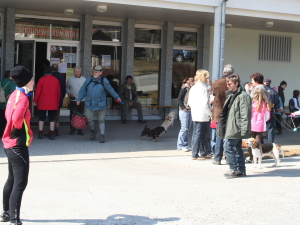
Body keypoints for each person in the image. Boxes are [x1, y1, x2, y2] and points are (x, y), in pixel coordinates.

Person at [1, 66, 34, 225]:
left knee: (12, 178)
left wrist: (14, 126)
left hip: (8, 142)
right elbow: (17, 115)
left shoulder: (13, 94)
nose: (34, 81)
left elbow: (8, 114)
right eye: (32, 79)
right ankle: (15, 220)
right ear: (26, 81)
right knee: (20, 183)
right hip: (18, 144)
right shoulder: (23, 97)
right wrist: (18, 127)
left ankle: (6, 213)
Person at [217, 74, 251, 178]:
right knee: (237, 148)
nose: (228, 86)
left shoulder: (243, 96)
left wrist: (244, 129)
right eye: (227, 84)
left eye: (230, 84)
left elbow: (245, 114)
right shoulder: (232, 95)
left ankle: (234, 169)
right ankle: (240, 170)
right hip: (231, 125)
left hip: (236, 127)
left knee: (228, 146)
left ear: (236, 83)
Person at [77, 65, 121, 143]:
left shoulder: (104, 81)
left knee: (101, 120)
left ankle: (102, 135)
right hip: (89, 104)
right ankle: (93, 130)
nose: (94, 73)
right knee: (89, 119)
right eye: (94, 71)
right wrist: (79, 99)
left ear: (100, 73)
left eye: (96, 71)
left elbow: (110, 90)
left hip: (100, 104)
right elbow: (83, 90)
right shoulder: (88, 80)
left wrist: (117, 97)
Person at [210, 64, 234, 165]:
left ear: (223, 72)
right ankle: (228, 158)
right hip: (230, 111)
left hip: (219, 111)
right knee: (230, 135)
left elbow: (214, 94)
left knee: (219, 135)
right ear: (232, 73)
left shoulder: (216, 82)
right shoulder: (233, 83)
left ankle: (217, 158)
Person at [188, 70, 212, 160]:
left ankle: (204, 152)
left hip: (196, 113)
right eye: (206, 76)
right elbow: (205, 104)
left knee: (199, 134)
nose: (207, 78)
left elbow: (189, 102)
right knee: (200, 134)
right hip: (203, 114)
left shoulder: (194, 87)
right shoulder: (202, 88)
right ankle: (195, 154)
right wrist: (210, 114)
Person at [33, 66, 60, 140]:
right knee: (52, 118)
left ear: (44, 73)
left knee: (41, 117)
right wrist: (57, 101)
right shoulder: (56, 80)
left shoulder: (41, 79)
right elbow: (58, 92)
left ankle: (40, 133)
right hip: (53, 102)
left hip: (43, 102)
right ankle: (52, 134)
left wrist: (35, 101)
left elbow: (38, 91)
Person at [248, 88, 271, 162]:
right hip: (260, 125)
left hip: (252, 124)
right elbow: (267, 116)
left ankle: (251, 157)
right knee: (258, 141)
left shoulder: (252, 103)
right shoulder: (265, 104)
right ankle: (257, 157)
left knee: (250, 141)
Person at [45, 64, 66, 136]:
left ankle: (51, 130)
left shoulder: (51, 77)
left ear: (52, 70)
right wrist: (61, 98)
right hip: (59, 98)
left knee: (51, 116)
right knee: (57, 115)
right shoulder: (61, 77)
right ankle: (57, 129)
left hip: (51, 99)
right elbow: (64, 90)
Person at [66, 67, 86, 135]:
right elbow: (67, 87)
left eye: (77, 71)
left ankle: (80, 130)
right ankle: (72, 129)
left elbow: (86, 89)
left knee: (81, 115)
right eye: (75, 71)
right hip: (73, 99)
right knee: (72, 115)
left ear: (80, 72)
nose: (76, 73)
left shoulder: (84, 80)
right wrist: (68, 92)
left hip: (81, 100)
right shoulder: (70, 79)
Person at [176, 77, 194, 152]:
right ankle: (180, 145)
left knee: (188, 128)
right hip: (184, 110)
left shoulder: (192, 88)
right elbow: (179, 99)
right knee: (184, 128)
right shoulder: (184, 88)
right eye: (192, 81)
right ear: (189, 81)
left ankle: (185, 144)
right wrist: (183, 107)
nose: (194, 82)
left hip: (190, 110)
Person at [263, 78, 279, 144]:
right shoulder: (273, 91)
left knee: (259, 130)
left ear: (264, 82)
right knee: (270, 130)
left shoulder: (260, 90)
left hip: (261, 112)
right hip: (270, 112)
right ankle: (270, 146)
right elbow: (277, 102)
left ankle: (260, 146)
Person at [0, 71, 15, 138]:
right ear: (10, 76)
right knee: (5, 121)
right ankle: (4, 134)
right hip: (6, 105)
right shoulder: (11, 83)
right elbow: (13, 93)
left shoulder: (1, 81)